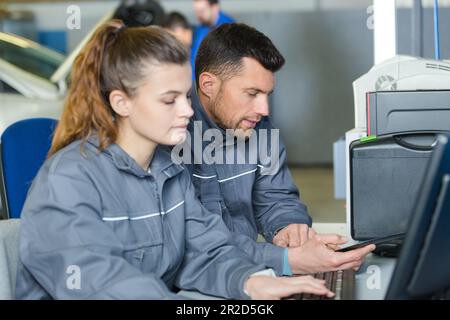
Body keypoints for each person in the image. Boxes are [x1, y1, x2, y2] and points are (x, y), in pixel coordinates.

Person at [15, 20, 335, 300]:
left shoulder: (168, 171)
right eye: (170, 100)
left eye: (185, 96)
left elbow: (205, 253)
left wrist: (251, 283)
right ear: (121, 102)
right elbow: (105, 286)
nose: (187, 110)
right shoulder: (67, 181)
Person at [176, 23, 375, 277]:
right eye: (252, 93)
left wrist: (289, 228)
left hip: (247, 271)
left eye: (267, 94)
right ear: (208, 84)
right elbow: (193, 242)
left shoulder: (259, 127)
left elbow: (276, 197)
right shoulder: (171, 132)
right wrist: (284, 260)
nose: (264, 109)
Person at [191, 0, 235, 75]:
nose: (199, 16)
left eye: (202, 11)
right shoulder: (200, 28)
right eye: (197, 12)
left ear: (215, 7)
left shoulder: (230, 28)